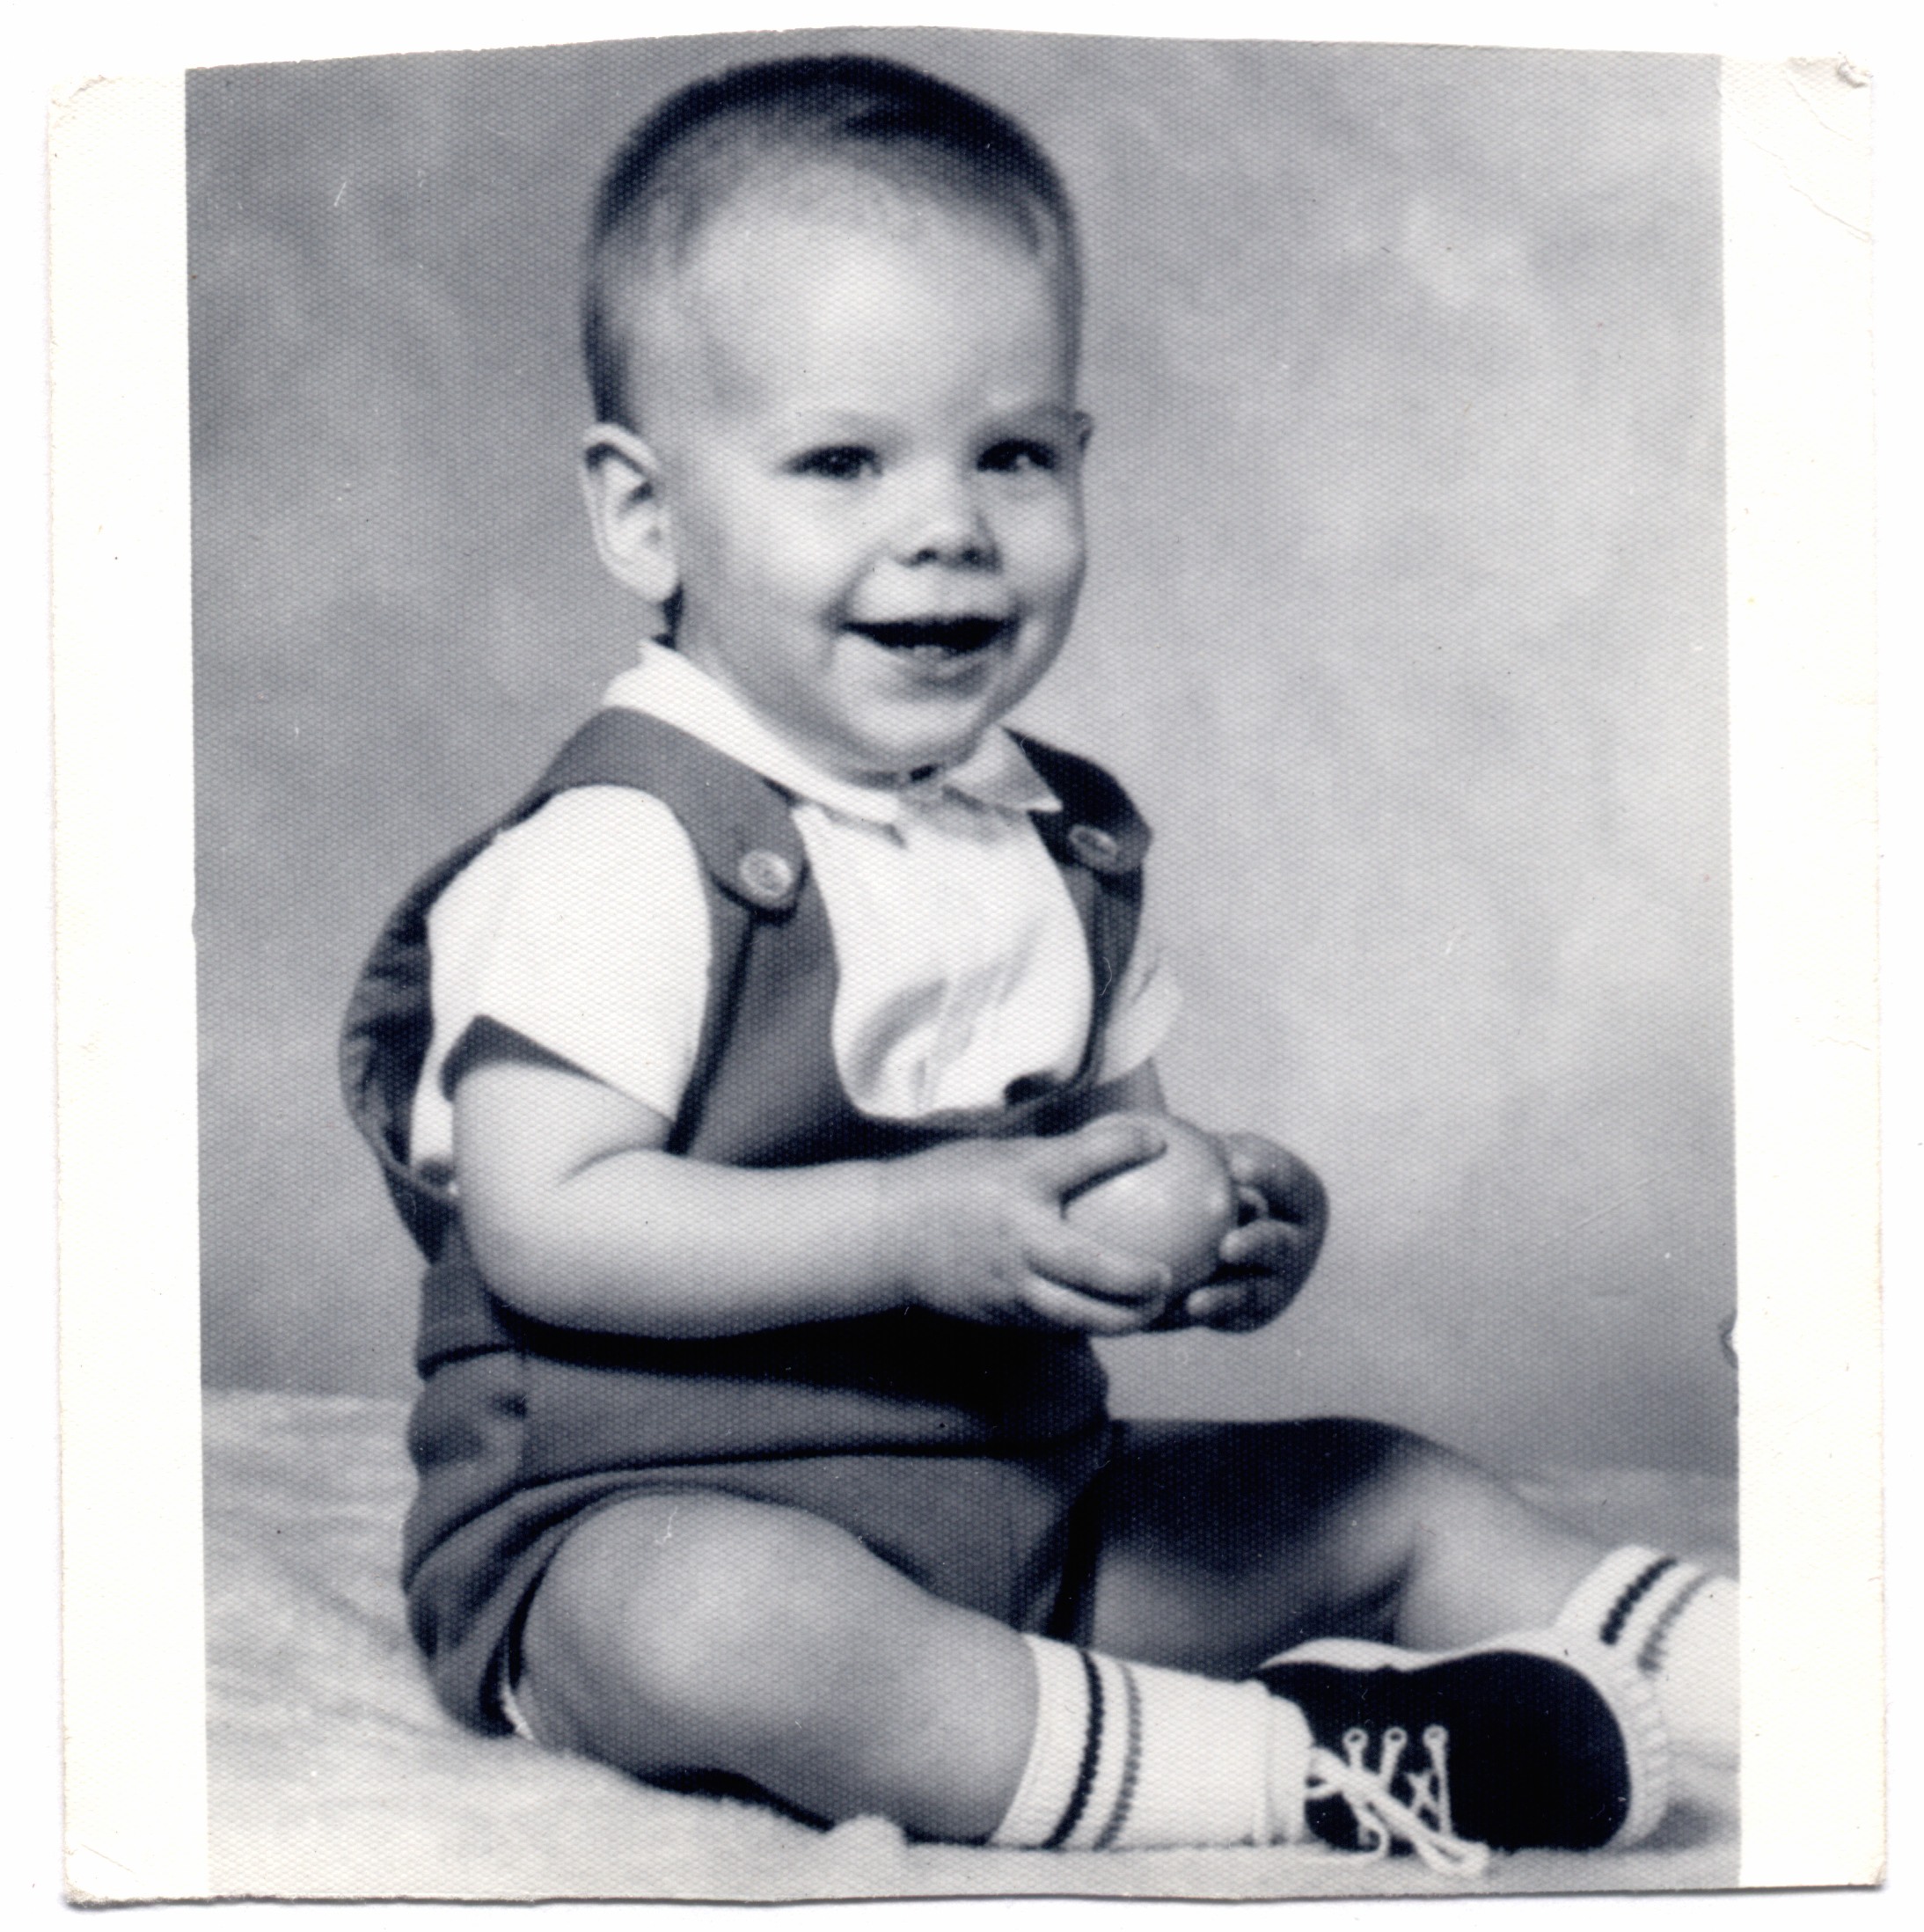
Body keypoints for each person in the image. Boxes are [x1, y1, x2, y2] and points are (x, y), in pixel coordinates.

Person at [341, 53, 1734, 1875]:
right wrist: (906, 1229)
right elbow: (547, 1223)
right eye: (842, 461)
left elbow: (1107, 1163)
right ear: (645, 516)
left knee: (1378, 1491)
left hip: (1021, 1518)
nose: (946, 522)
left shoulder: (1056, 842)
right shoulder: (623, 846)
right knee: (735, 1633)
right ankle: (1303, 1772)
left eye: (1010, 453)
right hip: (643, 1524)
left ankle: (1771, 1678)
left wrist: (1223, 1214)